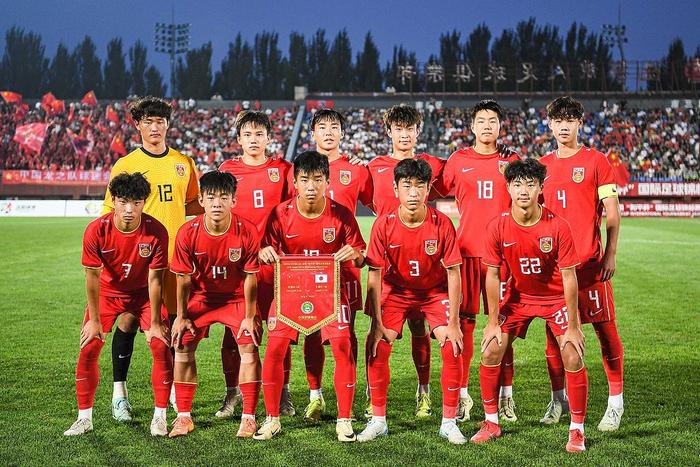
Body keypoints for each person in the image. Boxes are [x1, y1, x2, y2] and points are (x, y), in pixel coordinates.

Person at [471, 158, 588, 453]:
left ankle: (577, 430)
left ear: (541, 188)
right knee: (490, 348)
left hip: (556, 299)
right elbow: (493, 275)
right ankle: (491, 422)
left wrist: (574, 326)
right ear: (508, 188)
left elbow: (569, 277)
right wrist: (492, 322)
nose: (523, 191)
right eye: (517, 184)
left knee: (572, 354)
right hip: (518, 298)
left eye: (530, 184)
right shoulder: (498, 226)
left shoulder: (558, 226)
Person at [253, 152, 365, 442]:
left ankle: (344, 420)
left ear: (328, 182)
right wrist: (264, 252)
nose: (311, 186)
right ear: (295, 183)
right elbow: (263, 248)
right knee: (274, 347)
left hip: (330, 291)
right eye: (305, 180)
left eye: (317, 179)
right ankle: (272, 419)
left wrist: (354, 253)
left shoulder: (341, 214)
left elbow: (361, 256)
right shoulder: (280, 213)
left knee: (343, 346)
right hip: (290, 290)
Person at [101, 96, 200, 421]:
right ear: (138, 125)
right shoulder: (125, 165)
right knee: (128, 321)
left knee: (170, 324)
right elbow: (110, 213)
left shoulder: (184, 163)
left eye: (160, 121)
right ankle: (119, 394)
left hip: (174, 261)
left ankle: (169, 390)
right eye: (148, 122)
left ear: (168, 125)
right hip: (136, 263)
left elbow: (193, 204)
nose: (154, 127)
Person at [357, 158, 466, 444]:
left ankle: (449, 422)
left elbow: (454, 273)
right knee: (377, 344)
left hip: (434, 292)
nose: (413, 193)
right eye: (407, 186)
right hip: (397, 291)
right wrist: (376, 322)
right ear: (395, 189)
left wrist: (454, 323)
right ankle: (378, 420)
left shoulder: (442, 223)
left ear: (429, 189)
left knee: (452, 345)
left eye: (420, 186)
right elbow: (374, 275)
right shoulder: (384, 224)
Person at [539, 96, 624, 431]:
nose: (564, 126)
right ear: (550, 125)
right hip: (554, 270)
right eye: (558, 121)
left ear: (579, 123)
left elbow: (612, 212)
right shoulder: (542, 166)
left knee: (605, 331)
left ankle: (615, 403)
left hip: (589, 266)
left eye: (570, 120)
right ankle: (557, 400)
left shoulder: (596, 160)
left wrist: (610, 253)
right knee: (554, 337)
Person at [64, 172, 172, 436]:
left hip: (143, 295)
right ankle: (84, 418)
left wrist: (155, 323)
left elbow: (155, 280)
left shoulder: (157, 231)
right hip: (108, 294)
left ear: (144, 202)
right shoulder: (96, 230)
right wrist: (94, 321)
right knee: (89, 345)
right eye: (123, 202)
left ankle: (160, 417)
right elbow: (92, 278)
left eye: (136, 202)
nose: (129, 209)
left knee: (160, 344)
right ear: (113, 201)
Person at [437, 99, 520, 422]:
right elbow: (433, 185)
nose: (487, 126)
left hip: (504, 255)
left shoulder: (511, 161)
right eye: (481, 121)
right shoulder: (458, 160)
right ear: (472, 126)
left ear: (501, 126)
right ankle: (462, 394)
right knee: (465, 327)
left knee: (504, 326)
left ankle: (505, 396)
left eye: (493, 121)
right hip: (468, 253)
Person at [364, 104, 445, 419]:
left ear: (418, 131)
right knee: (378, 329)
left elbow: (464, 174)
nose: (404, 134)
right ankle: (373, 396)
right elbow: (357, 192)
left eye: (410, 129)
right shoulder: (373, 168)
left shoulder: (431, 165)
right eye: (398, 129)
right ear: (389, 132)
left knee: (419, 327)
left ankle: (423, 392)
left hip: (423, 260)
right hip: (386, 261)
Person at [168, 170, 262, 438]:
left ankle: (249, 417)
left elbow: (250, 278)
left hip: (236, 298)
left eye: (223, 197)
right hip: (202, 298)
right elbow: (183, 280)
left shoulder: (247, 230)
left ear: (234, 200)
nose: (217, 203)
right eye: (210, 197)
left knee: (249, 345)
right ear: (201, 200)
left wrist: (250, 316)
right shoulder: (188, 232)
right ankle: (183, 417)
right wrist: (181, 316)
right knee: (182, 343)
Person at [296, 109, 374, 422]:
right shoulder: (300, 168)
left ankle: (349, 397)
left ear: (342, 132)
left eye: (334, 127)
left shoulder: (356, 170)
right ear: (313, 133)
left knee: (346, 334)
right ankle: (315, 396)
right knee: (311, 330)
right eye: (322, 127)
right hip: (307, 266)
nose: (328, 132)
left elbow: (380, 204)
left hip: (345, 267)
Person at [218, 110, 295, 418]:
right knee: (233, 333)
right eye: (247, 134)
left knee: (280, 332)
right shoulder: (228, 169)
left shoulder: (283, 169)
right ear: (239, 139)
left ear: (269, 138)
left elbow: (296, 208)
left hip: (274, 265)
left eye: (259, 134)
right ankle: (232, 394)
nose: (253, 140)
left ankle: (284, 394)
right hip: (238, 265)